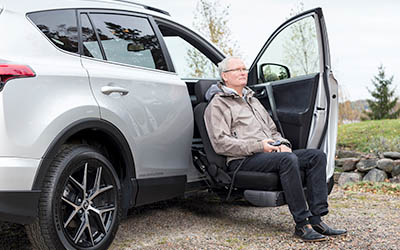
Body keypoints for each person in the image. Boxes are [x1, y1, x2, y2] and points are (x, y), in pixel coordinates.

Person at [204, 56, 346, 242]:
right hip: (243, 159)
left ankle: (316, 219)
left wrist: (282, 145)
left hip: (269, 152)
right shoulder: (218, 104)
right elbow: (220, 143)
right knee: (288, 160)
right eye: (237, 69)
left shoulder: (252, 100)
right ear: (225, 76)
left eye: (244, 69)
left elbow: (272, 130)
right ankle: (302, 225)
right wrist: (259, 146)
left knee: (316, 156)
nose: (243, 72)